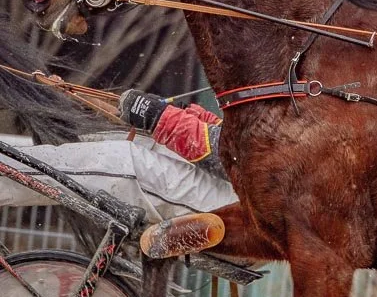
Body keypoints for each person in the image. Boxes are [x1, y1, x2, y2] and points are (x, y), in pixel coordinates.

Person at [0, 89, 233, 256]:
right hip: (226, 187)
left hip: (231, 207)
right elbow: (232, 136)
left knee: (119, 159)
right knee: (101, 144)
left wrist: (158, 115)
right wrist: (183, 114)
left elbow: (235, 156)